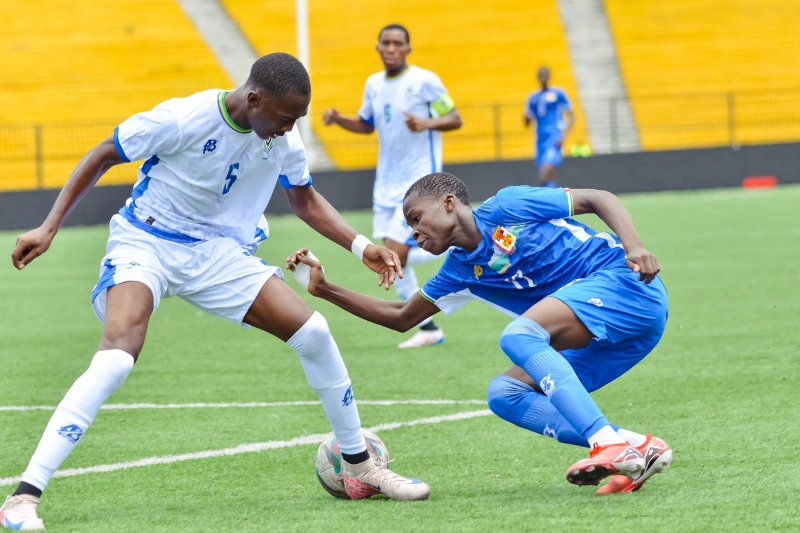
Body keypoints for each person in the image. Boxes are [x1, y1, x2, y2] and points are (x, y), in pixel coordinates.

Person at [2, 53, 430, 531]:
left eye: (297, 121)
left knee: (314, 332)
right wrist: (49, 226)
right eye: (286, 119)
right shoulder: (182, 117)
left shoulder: (281, 135)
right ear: (253, 100)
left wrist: (362, 246)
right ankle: (23, 498)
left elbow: (303, 198)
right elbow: (105, 153)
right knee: (118, 356)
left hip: (219, 253)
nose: (290, 130)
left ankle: (360, 466)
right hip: (148, 241)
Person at [287, 172, 673, 494]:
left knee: (519, 335)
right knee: (504, 395)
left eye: (417, 218)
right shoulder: (458, 271)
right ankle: (637, 448)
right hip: (607, 335)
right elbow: (404, 316)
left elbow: (599, 198)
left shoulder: (509, 206)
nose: (414, 234)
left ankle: (606, 444)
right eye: (409, 227)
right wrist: (325, 290)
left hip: (628, 285)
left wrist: (635, 247)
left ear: (450, 202)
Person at [322, 23, 463, 349]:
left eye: (398, 43)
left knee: (392, 256)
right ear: (378, 47)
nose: (391, 48)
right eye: (385, 43)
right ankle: (428, 327)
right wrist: (340, 119)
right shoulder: (373, 84)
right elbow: (367, 124)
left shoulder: (424, 81)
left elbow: (454, 118)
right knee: (390, 258)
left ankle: (458, 243)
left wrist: (427, 122)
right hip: (385, 185)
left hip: (419, 183)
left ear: (408, 49)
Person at [524, 67, 574, 188]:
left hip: (554, 137)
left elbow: (571, 116)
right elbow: (527, 123)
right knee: (546, 179)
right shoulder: (533, 98)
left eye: (545, 75)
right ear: (537, 77)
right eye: (541, 75)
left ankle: (555, 200)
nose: (543, 78)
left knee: (544, 173)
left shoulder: (557, 93)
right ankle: (555, 202)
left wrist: (564, 135)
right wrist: (526, 117)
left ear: (550, 76)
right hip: (540, 140)